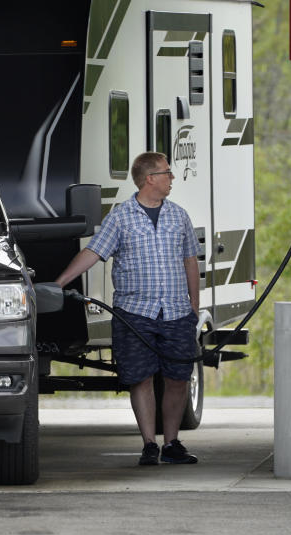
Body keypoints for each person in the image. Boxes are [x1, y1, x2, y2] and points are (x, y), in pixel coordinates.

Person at [55, 152, 201, 466]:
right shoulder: (121, 217)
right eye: (167, 173)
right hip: (134, 312)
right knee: (141, 378)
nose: (171, 178)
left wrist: (194, 305)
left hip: (176, 312)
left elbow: (191, 259)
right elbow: (94, 252)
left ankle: (172, 442)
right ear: (150, 179)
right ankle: (150, 444)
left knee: (178, 378)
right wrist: (61, 281)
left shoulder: (179, 216)